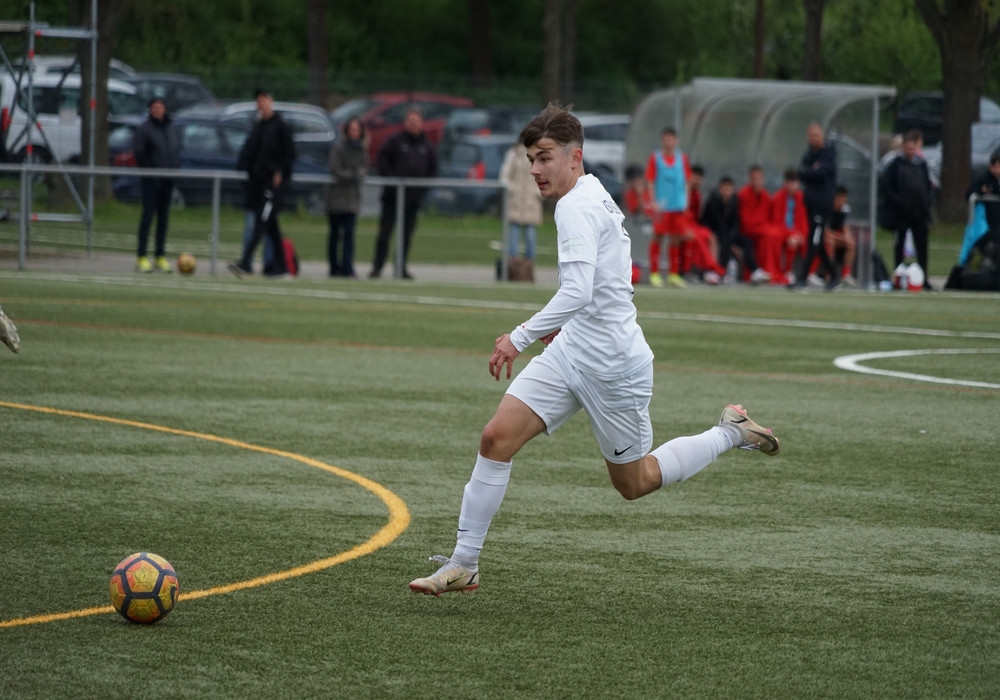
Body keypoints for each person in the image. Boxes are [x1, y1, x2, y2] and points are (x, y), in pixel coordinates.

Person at [407, 104, 780, 597]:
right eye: (531, 159)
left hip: (614, 368)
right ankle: (464, 564)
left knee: (634, 482)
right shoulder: (590, 190)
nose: (535, 169)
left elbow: (579, 291)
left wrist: (518, 337)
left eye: (544, 158)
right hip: (573, 351)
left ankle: (729, 432)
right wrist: (565, 325)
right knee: (496, 439)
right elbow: (602, 282)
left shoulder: (575, 205)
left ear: (574, 157)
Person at [229, 88, 295, 277]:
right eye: (259, 100)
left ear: (271, 101)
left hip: (272, 187)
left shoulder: (280, 126)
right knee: (271, 227)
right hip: (258, 185)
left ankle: (246, 262)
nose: (262, 103)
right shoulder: (258, 127)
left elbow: (290, 154)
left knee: (261, 222)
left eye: (264, 99)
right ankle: (281, 267)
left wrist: (280, 171)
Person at [370, 106, 438, 280]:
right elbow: (382, 160)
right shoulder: (395, 141)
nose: (413, 123)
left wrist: (422, 188)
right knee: (385, 233)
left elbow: (433, 169)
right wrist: (392, 180)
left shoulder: (426, 145)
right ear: (405, 122)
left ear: (421, 123)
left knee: (406, 236)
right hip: (392, 198)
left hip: (412, 200)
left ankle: (400, 267)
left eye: (416, 120)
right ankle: (377, 267)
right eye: (410, 120)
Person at [133, 97, 180, 273]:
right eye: (155, 107)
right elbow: (139, 153)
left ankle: (160, 255)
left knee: (163, 219)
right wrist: (151, 169)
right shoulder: (144, 129)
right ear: (150, 109)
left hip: (167, 180)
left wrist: (174, 168)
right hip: (152, 180)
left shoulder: (170, 128)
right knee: (147, 217)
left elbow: (174, 150)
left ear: (165, 109)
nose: (157, 109)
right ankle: (142, 256)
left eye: (160, 106)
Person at [883, 129, 934, 290]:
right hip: (902, 213)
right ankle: (899, 277)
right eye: (907, 148)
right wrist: (899, 202)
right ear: (903, 148)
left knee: (922, 246)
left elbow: (928, 185)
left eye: (912, 148)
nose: (910, 151)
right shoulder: (895, 165)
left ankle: (923, 278)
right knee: (900, 246)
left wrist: (927, 202)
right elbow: (888, 187)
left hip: (919, 213)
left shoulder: (921, 164)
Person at [791, 122, 840, 290]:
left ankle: (802, 278)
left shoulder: (828, 154)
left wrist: (808, 172)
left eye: (817, 135)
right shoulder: (809, 154)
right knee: (816, 241)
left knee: (814, 240)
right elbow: (801, 171)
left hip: (822, 204)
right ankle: (834, 276)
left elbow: (820, 173)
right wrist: (809, 172)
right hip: (811, 203)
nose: (814, 138)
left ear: (822, 136)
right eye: (811, 135)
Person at [645, 127, 693, 288]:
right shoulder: (656, 158)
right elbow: (650, 180)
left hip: (677, 205)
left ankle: (673, 274)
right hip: (662, 206)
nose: (669, 141)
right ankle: (654, 273)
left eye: (671, 138)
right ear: (662, 140)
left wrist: (686, 201)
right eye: (666, 138)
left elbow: (687, 181)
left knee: (676, 238)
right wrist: (653, 202)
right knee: (658, 237)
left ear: (676, 140)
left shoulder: (681, 158)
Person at [701, 176, 770, 284]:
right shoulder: (713, 201)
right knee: (726, 242)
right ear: (720, 189)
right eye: (724, 189)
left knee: (746, 242)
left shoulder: (735, 201)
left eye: (729, 189)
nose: (726, 192)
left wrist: (733, 238)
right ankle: (718, 272)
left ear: (733, 190)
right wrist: (732, 246)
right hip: (714, 231)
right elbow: (717, 223)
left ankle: (755, 271)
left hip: (728, 233)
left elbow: (735, 223)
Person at [326, 117, 368, 278]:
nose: (354, 132)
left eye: (357, 129)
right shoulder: (338, 148)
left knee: (349, 235)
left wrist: (357, 174)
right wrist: (352, 175)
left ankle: (347, 267)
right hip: (337, 199)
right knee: (335, 235)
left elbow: (364, 169)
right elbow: (335, 168)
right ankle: (334, 267)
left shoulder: (362, 149)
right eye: (352, 129)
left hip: (352, 200)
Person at [737, 165, 785, 283]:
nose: (756, 182)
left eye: (759, 179)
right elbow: (745, 222)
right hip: (748, 231)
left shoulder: (766, 195)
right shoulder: (743, 194)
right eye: (754, 179)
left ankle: (774, 271)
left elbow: (771, 218)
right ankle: (768, 270)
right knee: (770, 233)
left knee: (776, 233)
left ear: (763, 179)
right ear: (750, 179)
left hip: (762, 228)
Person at [500, 140, 543, 262]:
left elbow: (544, 174)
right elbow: (504, 174)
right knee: (513, 235)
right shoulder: (513, 153)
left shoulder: (538, 154)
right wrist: (510, 188)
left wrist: (539, 191)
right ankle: (512, 263)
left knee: (530, 236)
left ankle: (528, 264)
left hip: (531, 201)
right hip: (515, 201)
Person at [768, 169, 809, 284]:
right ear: (785, 183)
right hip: (782, 232)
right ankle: (786, 271)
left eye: (794, 183)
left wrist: (801, 234)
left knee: (818, 243)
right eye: (789, 183)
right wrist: (790, 234)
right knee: (792, 242)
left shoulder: (802, 198)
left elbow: (804, 220)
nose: (792, 186)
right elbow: (776, 222)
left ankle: (810, 273)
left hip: (797, 232)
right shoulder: (777, 197)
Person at [824, 186, 857, 286]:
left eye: (843, 200)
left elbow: (845, 226)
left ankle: (846, 275)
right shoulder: (827, 207)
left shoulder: (845, 209)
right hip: (827, 237)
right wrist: (840, 237)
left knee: (851, 243)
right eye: (839, 200)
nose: (841, 202)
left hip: (837, 236)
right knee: (830, 243)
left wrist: (846, 237)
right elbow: (825, 231)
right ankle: (829, 274)